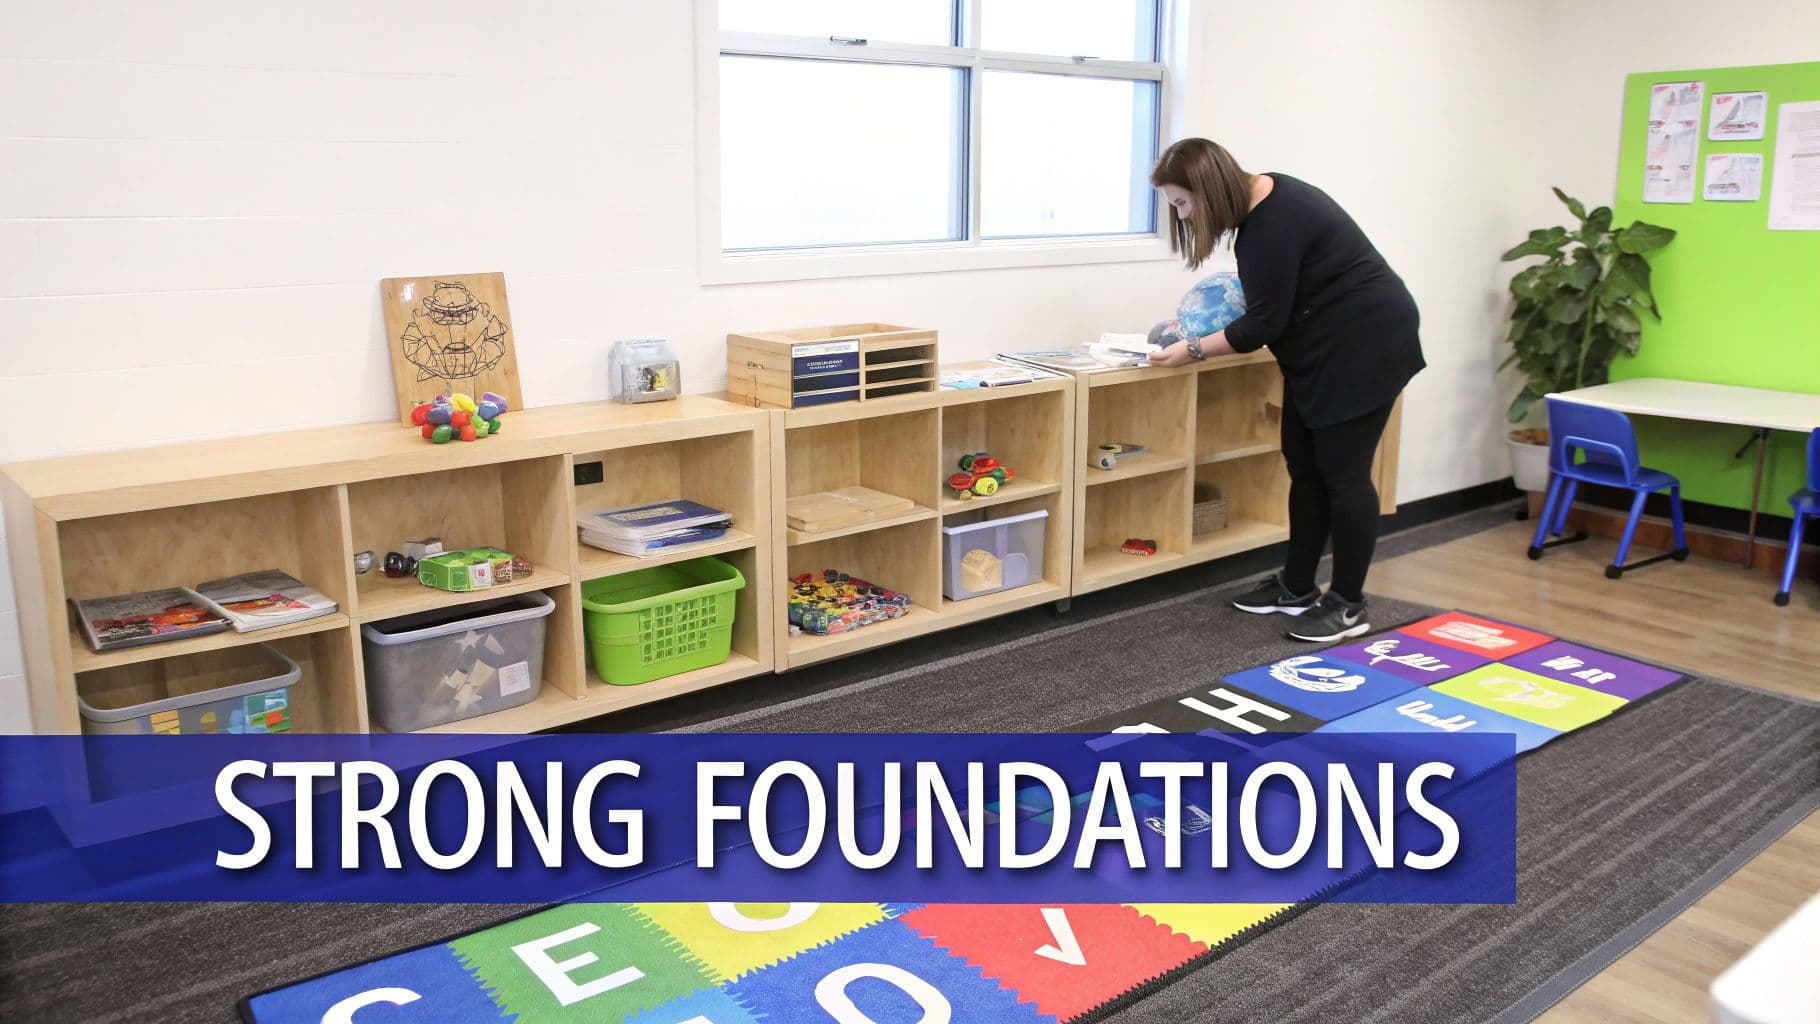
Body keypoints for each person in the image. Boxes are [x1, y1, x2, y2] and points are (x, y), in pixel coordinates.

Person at [1147, 138, 1424, 642]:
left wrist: (1190, 349)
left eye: (1184, 204)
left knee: (1343, 473)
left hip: (1367, 342)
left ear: (1209, 189)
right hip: (1322, 345)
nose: (1184, 217)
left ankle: (1348, 604)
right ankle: (1297, 586)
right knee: (1303, 463)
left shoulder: (1270, 226)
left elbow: (1262, 326)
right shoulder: (1264, 204)